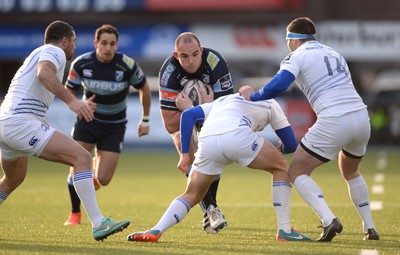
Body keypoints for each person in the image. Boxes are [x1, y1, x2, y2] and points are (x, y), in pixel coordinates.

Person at [239, 17, 379, 242]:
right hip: (361, 117)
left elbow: (279, 84)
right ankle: (370, 228)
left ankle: (328, 220)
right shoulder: (334, 53)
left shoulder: (298, 55)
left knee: (296, 172)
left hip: (335, 118)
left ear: (292, 40)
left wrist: (253, 96)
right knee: (351, 171)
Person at [0, 20, 130, 241]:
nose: (75, 47)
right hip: (19, 124)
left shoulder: (39, 52)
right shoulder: (54, 51)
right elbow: (44, 74)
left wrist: (40, 120)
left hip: (6, 122)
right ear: (64, 40)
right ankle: (98, 223)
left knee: (13, 179)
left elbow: (30, 90)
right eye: (74, 41)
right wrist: (73, 102)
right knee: (81, 157)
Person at [126, 91, 311, 242]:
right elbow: (291, 145)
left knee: (192, 194)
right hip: (237, 135)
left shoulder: (223, 100)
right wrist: (281, 147)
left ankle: (156, 230)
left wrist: (184, 154)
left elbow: (188, 114)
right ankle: (285, 229)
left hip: (208, 141)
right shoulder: (272, 103)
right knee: (280, 168)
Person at [63, 24, 151, 226]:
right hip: (87, 122)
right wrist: (79, 105)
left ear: (117, 45)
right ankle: (75, 214)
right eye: (104, 43)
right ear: (96, 44)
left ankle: (93, 171)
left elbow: (144, 88)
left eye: (112, 44)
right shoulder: (81, 64)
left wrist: (145, 120)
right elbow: (68, 92)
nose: (108, 48)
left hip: (114, 126)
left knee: (103, 179)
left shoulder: (127, 65)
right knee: (76, 166)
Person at [158, 32, 234, 234]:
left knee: (213, 154)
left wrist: (194, 107)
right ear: (176, 55)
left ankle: (211, 209)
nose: (190, 61)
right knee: (186, 145)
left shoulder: (215, 62)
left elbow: (227, 112)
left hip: (212, 119)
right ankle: (211, 209)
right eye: (184, 56)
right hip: (184, 124)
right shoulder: (169, 72)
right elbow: (170, 124)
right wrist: (194, 110)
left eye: (194, 54)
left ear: (201, 51)